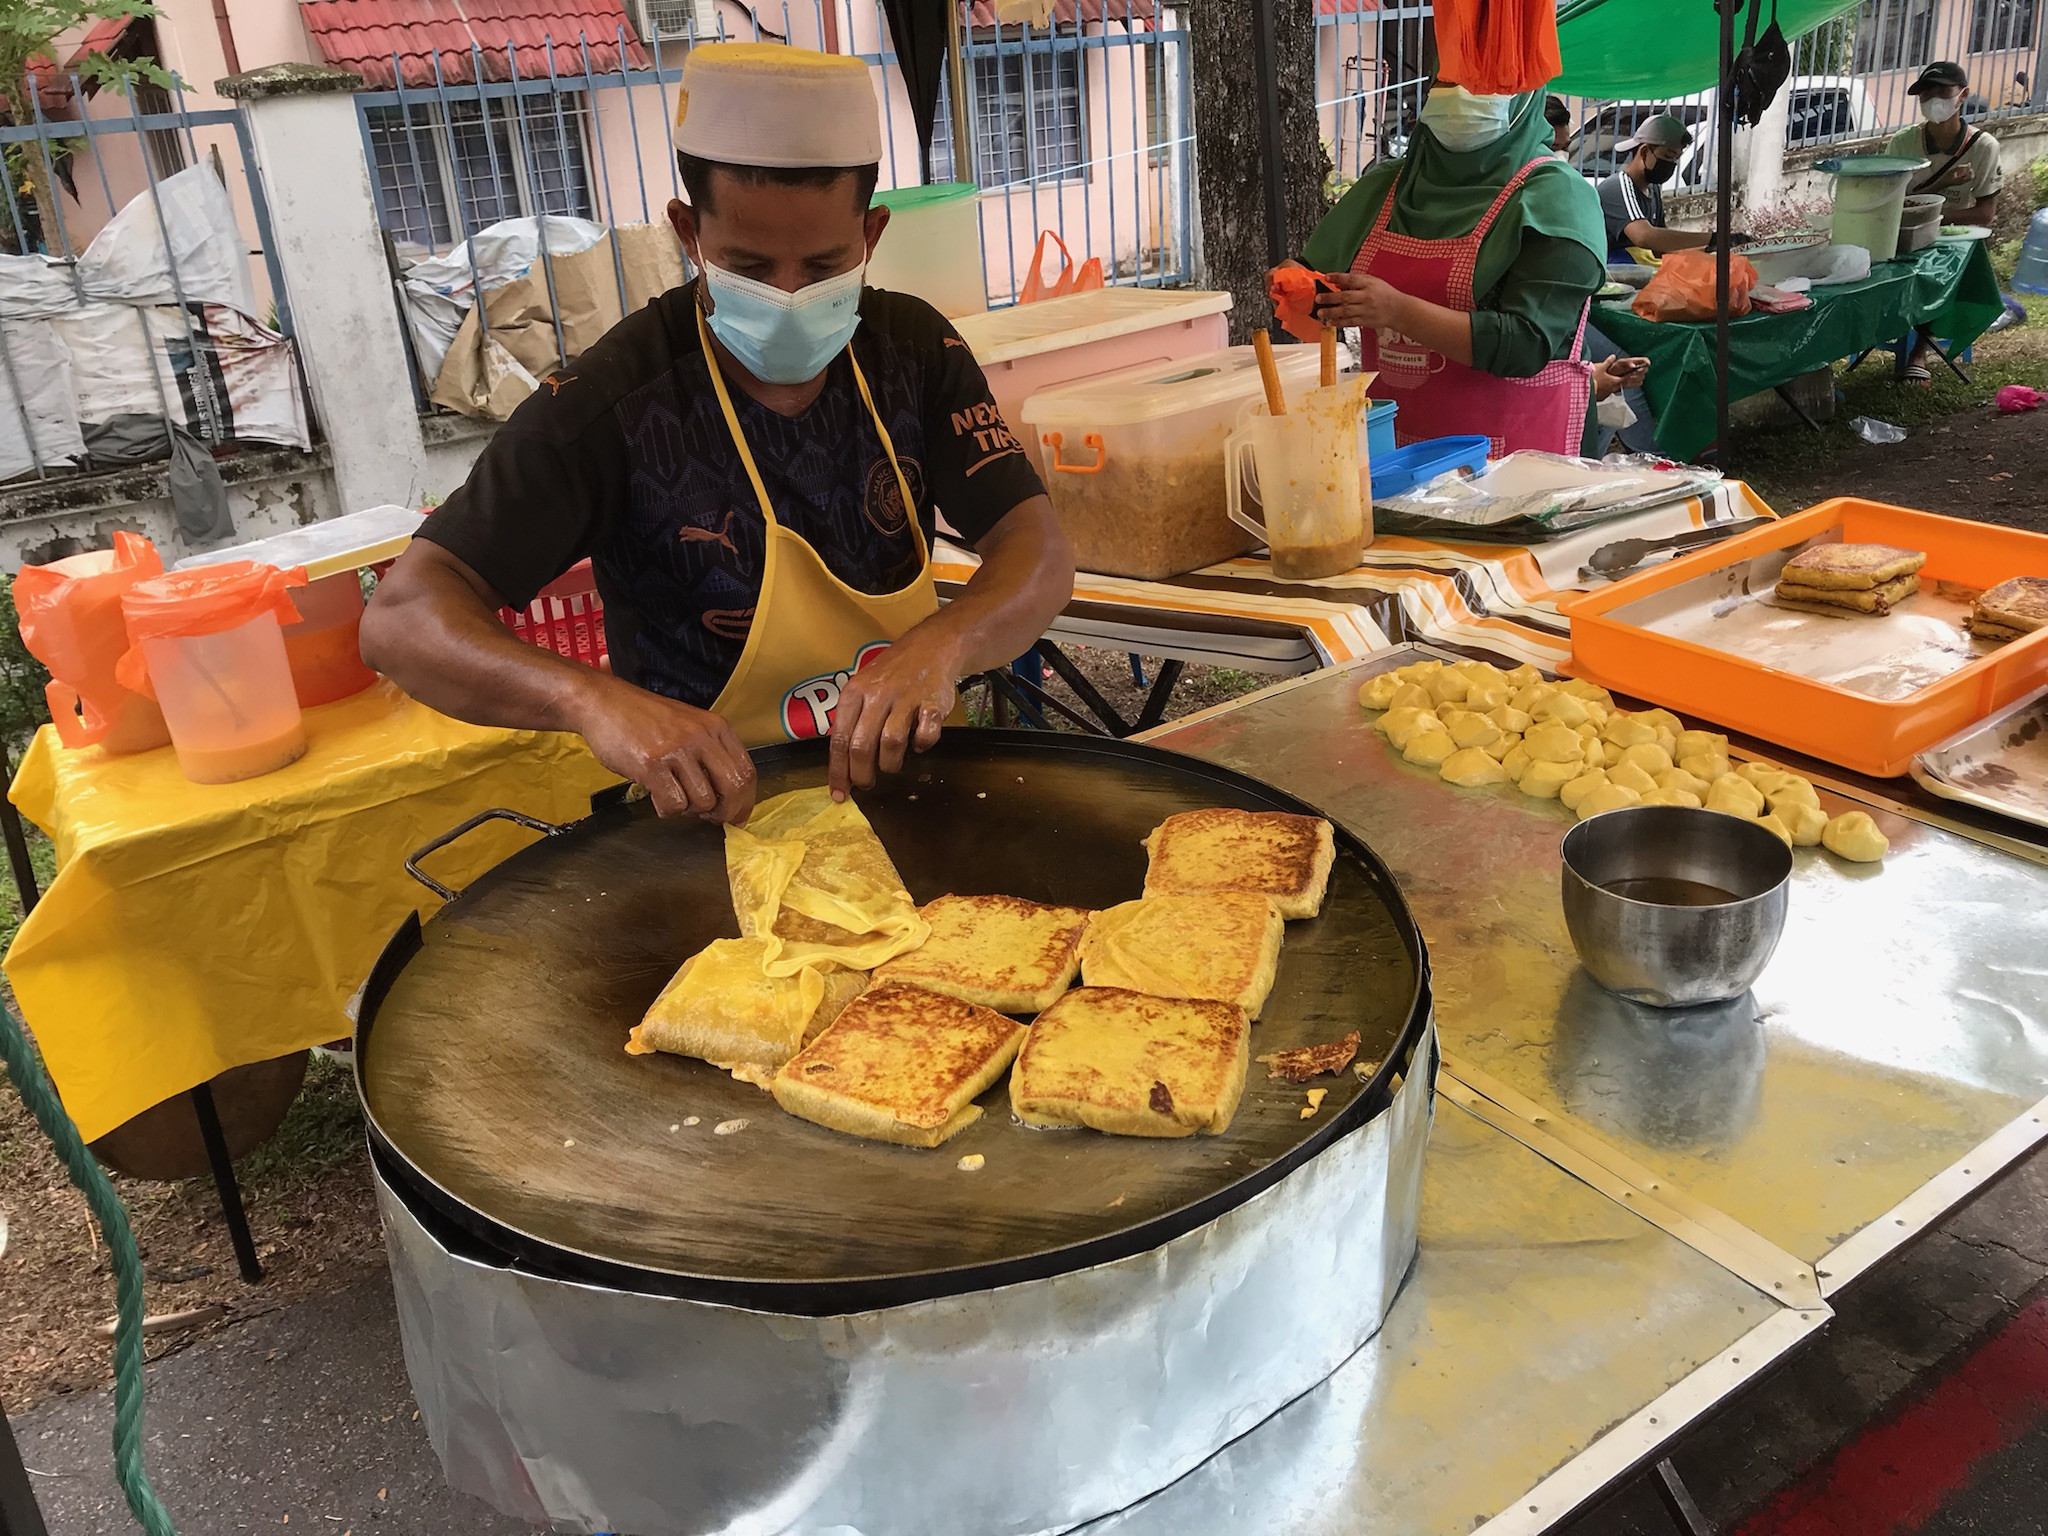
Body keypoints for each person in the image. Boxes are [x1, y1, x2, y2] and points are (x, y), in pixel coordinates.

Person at [362, 44, 1074, 825]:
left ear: (871, 235)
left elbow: (1034, 550)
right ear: (687, 232)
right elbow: (403, 621)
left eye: (824, 264)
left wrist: (945, 645)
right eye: (750, 266)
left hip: (919, 793)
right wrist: (590, 698)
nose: (791, 296)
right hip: (712, 834)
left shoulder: (914, 350)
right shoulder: (610, 402)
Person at [1290, 83, 1608, 458]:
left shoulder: (1555, 198)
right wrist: (1296, 285)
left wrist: (1397, 311)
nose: (1462, 93)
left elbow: (1524, 346)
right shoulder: (1389, 186)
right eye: (1447, 80)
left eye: (1487, 82)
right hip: (1395, 452)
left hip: (1514, 461)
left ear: (1525, 95)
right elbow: (1327, 291)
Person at [1888, 60, 2002, 380]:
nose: (1933, 101)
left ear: (1962, 95)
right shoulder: (1903, 143)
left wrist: (1933, 221)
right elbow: (1889, 198)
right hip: (1903, 232)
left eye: (1942, 92)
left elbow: (1985, 213)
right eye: (1926, 94)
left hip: (1955, 237)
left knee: (1936, 270)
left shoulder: (1983, 147)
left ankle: (1919, 352)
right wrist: (1939, 189)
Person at [1595, 114, 1737, 260]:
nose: (1672, 164)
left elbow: (1660, 248)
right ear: (1644, 152)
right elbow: (1644, 236)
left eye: (1676, 158)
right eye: (1668, 156)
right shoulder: (1618, 186)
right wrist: (1714, 239)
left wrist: (1708, 253)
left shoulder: (1653, 190)